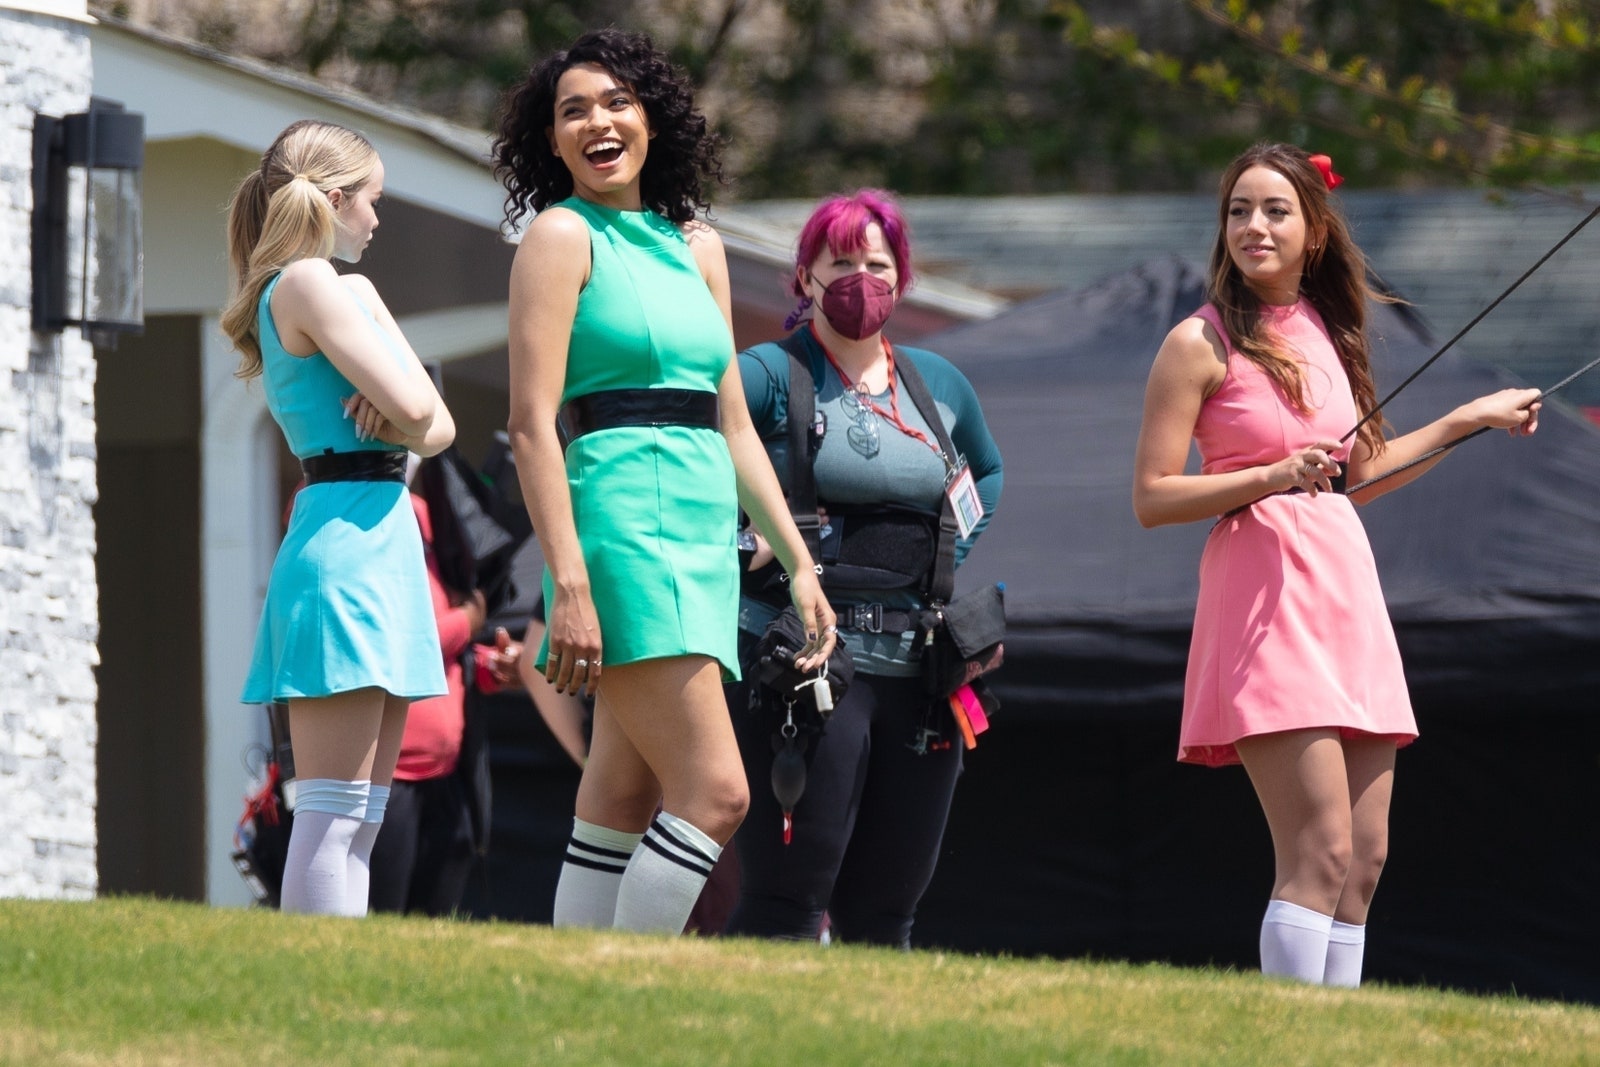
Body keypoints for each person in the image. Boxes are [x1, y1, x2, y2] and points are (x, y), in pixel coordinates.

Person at [1131, 142, 1540, 986]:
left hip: (1343, 589)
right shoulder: (1197, 342)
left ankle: (1338, 1036)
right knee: (1318, 848)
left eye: (1275, 210)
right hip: (1263, 590)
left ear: (1314, 231)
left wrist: (1469, 418)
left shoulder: (1329, 329)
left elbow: (1364, 474)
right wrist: (1271, 475)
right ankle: (1293, 1035)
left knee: (1363, 860)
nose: (1253, 226)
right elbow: (1152, 497)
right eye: (1239, 210)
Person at [493, 28, 837, 936]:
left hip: (701, 537)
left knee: (621, 792)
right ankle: (634, 987)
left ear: (653, 119)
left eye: (617, 103)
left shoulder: (698, 246)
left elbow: (734, 424)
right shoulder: (559, 236)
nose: (597, 123)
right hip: (620, 530)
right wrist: (568, 583)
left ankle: (577, 992)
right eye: (573, 111)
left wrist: (799, 561)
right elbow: (531, 425)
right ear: (551, 139)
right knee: (718, 793)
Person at [724, 189, 1004, 947]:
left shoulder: (939, 384)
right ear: (804, 277)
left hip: (919, 673)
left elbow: (987, 472)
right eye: (841, 262)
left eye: (877, 265)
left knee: (886, 911)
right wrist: (742, 542)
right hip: (805, 664)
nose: (860, 279)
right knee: (787, 899)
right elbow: (699, 451)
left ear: (902, 279)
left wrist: (943, 557)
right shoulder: (768, 373)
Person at [225, 119, 455, 916]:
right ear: (332, 198)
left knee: (361, 818)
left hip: (376, 536)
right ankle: (310, 979)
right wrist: (405, 412)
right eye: (371, 200)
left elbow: (439, 425)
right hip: (346, 547)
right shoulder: (306, 283)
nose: (377, 218)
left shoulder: (344, 290)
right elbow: (420, 411)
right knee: (331, 815)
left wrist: (406, 411)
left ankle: (336, 973)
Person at [367, 476, 525, 917]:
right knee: (380, 927)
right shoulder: (337, 500)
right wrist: (467, 621)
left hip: (447, 775)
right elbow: (395, 643)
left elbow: (441, 643)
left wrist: (491, 665)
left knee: (435, 928)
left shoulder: (425, 512)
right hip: (385, 776)